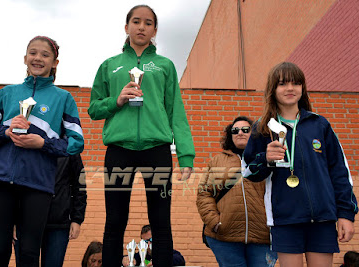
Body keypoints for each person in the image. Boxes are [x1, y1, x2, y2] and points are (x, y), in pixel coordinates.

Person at [88, 5, 195, 267]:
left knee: (160, 221)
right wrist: (118, 100)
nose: (141, 27)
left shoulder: (164, 66)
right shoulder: (110, 65)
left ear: (154, 30)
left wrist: (185, 154)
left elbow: (176, 112)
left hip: (156, 149)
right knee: (115, 220)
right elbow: (93, 108)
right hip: (119, 150)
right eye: (136, 21)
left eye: (148, 23)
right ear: (126, 27)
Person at [0, 36, 84, 267]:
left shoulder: (64, 98)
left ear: (55, 62)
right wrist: (5, 131)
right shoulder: (6, 94)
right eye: (33, 53)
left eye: (45, 55)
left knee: (29, 253)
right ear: (25, 58)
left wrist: (43, 144)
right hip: (0, 180)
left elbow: (76, 142)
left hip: (38, 184)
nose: (38, 58)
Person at [242, 62, 357, 267]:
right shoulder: (263, 128)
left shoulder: (320, 124)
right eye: (282, 84)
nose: (290, 88)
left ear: (302, 88)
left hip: (322, 219)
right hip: (286, 219)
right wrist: (265, 159)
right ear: (272, 89)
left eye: (296, 83)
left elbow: (340, 172)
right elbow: (248, 171)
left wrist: (346, 214)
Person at [196, 116, 277, 267]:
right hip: (225, 236)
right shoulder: (217, 161)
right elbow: (204, 194)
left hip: (263, 235)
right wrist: (215, 222)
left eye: (246, 130)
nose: (240, 133)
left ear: (254, 134)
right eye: (235, 130)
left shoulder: (267, 159)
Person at [14, 154, 87, 267]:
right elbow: (14, 186)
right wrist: (12, 220)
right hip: (26, 223)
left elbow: (80, 186)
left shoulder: (69, 147)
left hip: (58, 223)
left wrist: (77, 219)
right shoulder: (26, 142)